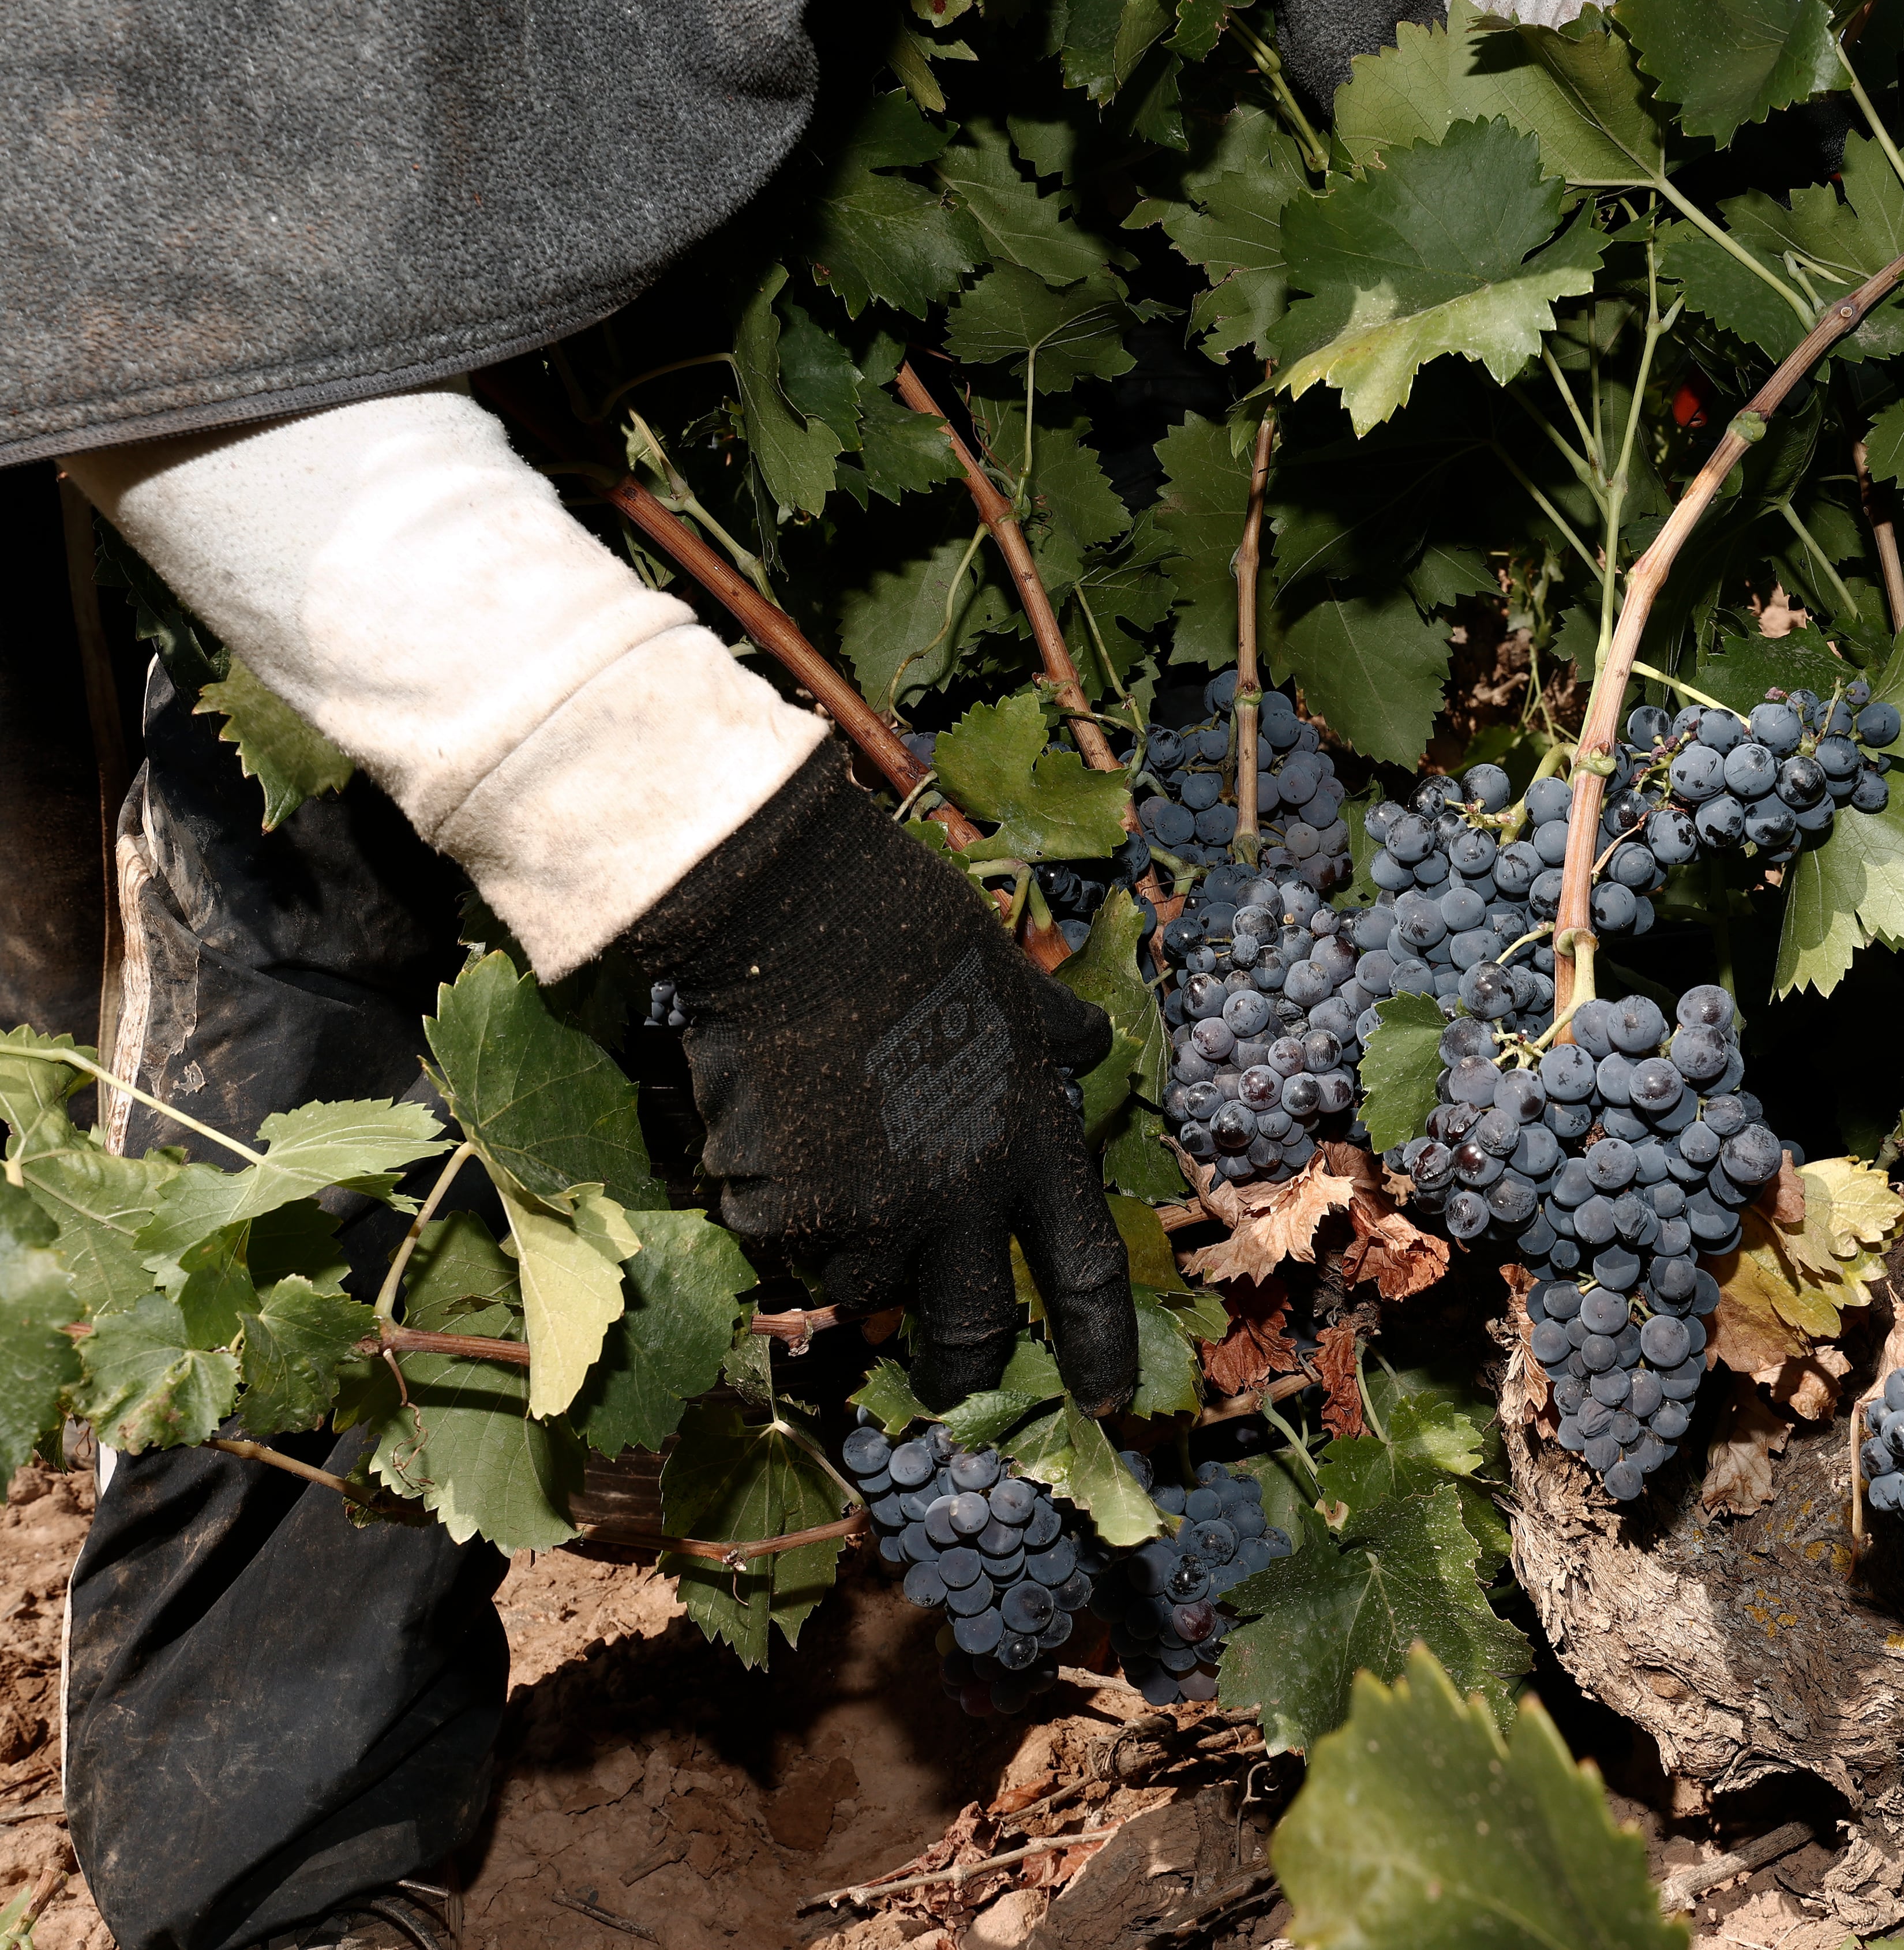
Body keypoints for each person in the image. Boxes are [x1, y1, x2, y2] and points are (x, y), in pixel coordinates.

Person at [0, 6, 1233, 1945]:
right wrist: (734, 863)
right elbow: (113, 236)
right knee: (307, 887)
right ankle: (289, 1857)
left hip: (629, 203)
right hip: (181, 247)